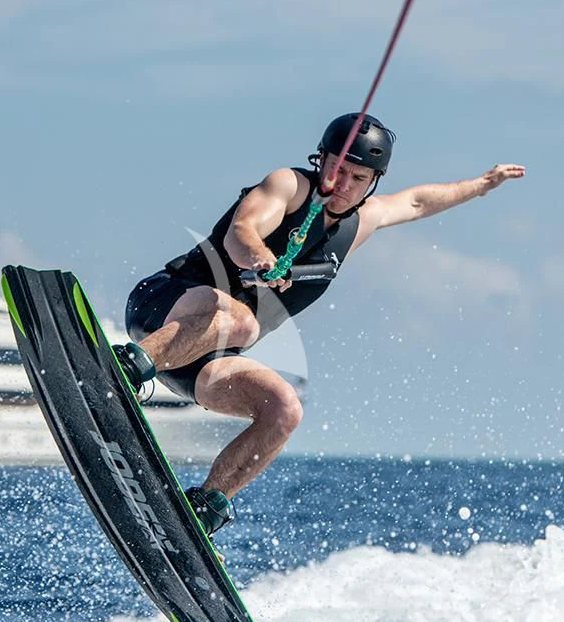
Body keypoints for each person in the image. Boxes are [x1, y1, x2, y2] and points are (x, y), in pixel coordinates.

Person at [115, 113, 525, 537]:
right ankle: (126, 369)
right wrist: (260, 257)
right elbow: (244, 230)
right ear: (322, 159)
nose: (342, 184)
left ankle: (203, 510)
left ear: (372, 182)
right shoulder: (290, 188)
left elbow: (419, 201)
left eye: (357, 177)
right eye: (337, 169)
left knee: (284, 409)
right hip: (162, 309)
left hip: (199, 359)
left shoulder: (361, 221)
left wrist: (481, 185)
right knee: (241, 321)